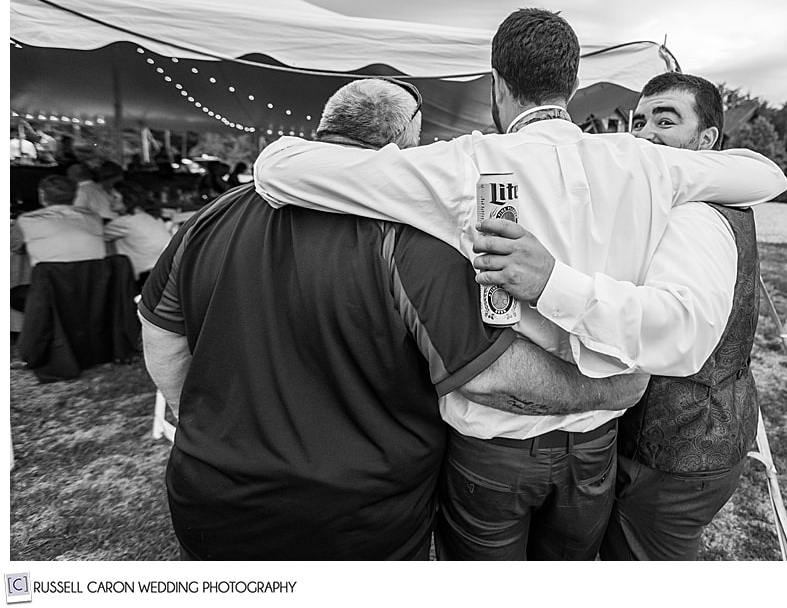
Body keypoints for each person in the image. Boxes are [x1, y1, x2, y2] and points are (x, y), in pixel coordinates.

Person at [252, 8, 787, 559]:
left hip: (494, 447)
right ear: (573, 84)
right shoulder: (647, 162)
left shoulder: (465, 163)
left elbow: (277, 167)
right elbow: (766, 174)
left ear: (497, 85)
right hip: (597, 443)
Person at [139, 78, 646, 561]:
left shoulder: (211, 218)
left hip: (212, 492)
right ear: (404, 141)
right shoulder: (407, 238)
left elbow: (161, 334)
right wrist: (609, 391)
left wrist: (203, 422)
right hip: (358, 512)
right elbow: (488, 377)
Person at [578, 71, 762, 560]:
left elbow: (674, 325)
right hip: (713, 429)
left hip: (677, 448)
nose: (646, 134)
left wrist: (552, 284)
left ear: (706, 140)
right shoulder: (716, 197)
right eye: (639, 121)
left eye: (666, 120)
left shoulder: (693, 213)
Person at [10, 175, 106, 311]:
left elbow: (15, 247)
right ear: (74, 196)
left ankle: (25, 328)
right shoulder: (95, 219)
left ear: (42, 195)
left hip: (50, 291)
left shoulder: (27, 220)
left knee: (14, 294)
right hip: (92, 290)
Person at [103, 181, 172, 287]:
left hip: (145, 278)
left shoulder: (125, 222)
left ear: (127, 199)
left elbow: (98, 236)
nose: (110, 200)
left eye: (115, 197)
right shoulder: (151, 217)